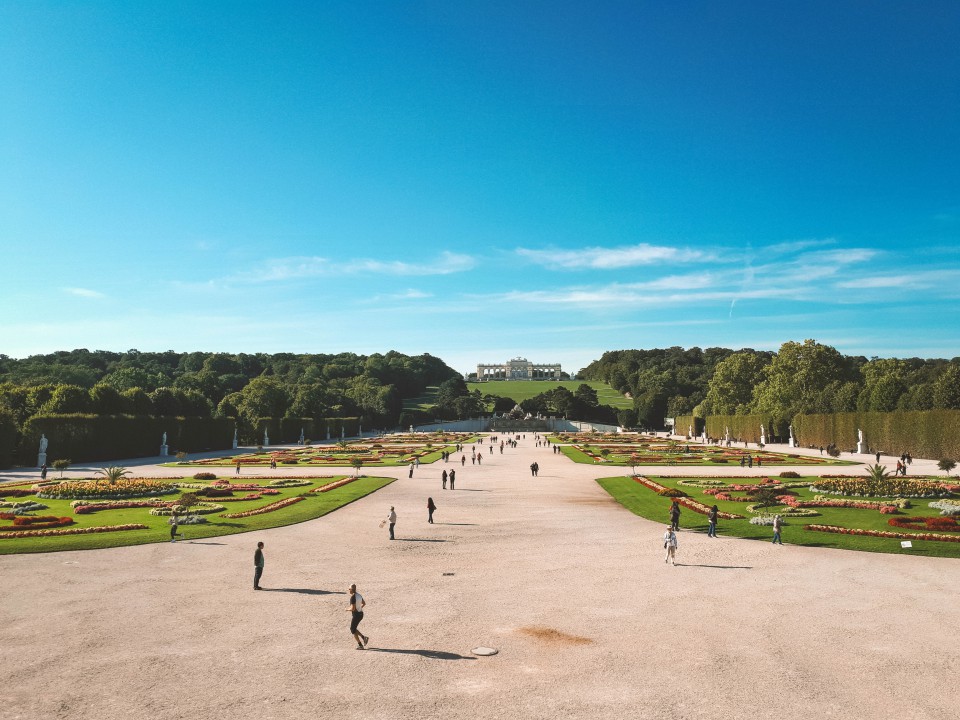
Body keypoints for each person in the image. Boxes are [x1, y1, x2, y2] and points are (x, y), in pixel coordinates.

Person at [348, 584, 369, 649]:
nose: (348, 590)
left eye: (349, 589)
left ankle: (360, 645)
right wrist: (360, 608)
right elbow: (364, 603)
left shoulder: (353, 597)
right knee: (353, 628)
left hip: (356, 615)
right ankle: (363, 638)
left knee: (352, 630)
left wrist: (347, 609)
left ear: (351, 590)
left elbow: (353, 609)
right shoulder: (359, 595)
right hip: (361, 614)